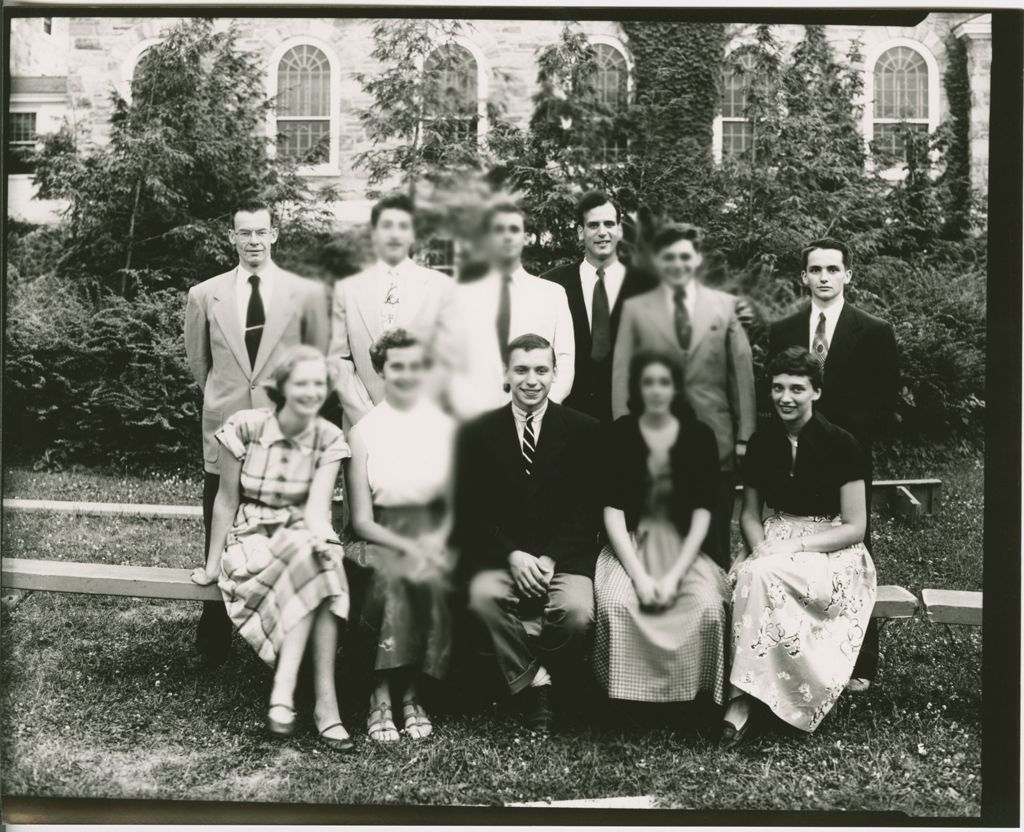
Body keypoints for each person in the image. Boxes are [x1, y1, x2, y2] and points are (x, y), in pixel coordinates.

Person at [184, 201, 330, 665]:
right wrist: (222, 399)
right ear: (232, 237)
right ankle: (213, 633)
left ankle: (286, 628)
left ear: (275, 234)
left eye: (261, 232)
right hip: (224, 427)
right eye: (244, 233)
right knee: (218, 514)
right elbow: (199, 363)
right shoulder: (204, 294)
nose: (253, 241)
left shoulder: (305, 294)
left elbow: (314, 361)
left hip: (283, 429)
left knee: (279, 525)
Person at [190, 346, 354, 752]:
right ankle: (324, 709)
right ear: (281, 386)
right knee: (316, 567)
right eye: (302, 382)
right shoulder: (244, 426)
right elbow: (226, 501)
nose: (312, 391)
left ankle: (285, 696)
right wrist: (212, 565)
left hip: (300, 534)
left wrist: (328, 542)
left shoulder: (329, 438)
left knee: (320, 561)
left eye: (319, 383)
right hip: (252, 539)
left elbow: (317, 514)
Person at [722, 346, 877, 748]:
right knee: (750, 574)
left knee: (760, 577)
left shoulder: (844, 444)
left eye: (797, 388)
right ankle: (750, 696)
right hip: (774, 539)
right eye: (777, 388)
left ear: (817, 392)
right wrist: (759, 549)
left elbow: (855, 527)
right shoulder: (761, 442)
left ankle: (747, 703)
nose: (785, 398)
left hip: (831, 548)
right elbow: (750, 515)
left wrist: (794, 549)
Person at [767, 238, 898, 693]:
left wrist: (836, 438)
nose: (824, 277)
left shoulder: (874, 331)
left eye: (832, 269)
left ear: (848, 275)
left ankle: (860, 661)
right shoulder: (783, 329)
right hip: (794, 455)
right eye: (815, 270)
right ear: (803, 277)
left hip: (847, 455)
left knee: (853, 549)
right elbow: (779, 394)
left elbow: (885, 402)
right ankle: (795, 650)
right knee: (790, 537)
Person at [453, 334, 601, 734]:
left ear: (555, 374)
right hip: (502, 556)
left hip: (562, 559)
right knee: (484, 598)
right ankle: (537, 685)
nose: (531, 380)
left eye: (541, 370)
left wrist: (550, 558)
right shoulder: (477, 432)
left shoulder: (585, 430)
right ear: (505, 373)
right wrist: (512, 555)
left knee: (575, 614)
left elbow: (587, 511)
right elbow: (470, 512)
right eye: (521, 369)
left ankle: (547, 674)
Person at [611, 223, 756, 571]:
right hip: (653, 441)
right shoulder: (637, 309)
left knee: (714, 541)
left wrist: (744, 437)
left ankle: (715, 614)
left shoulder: (725, 307)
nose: (677, 263)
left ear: (697, 259)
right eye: (669, 257)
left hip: (716, 441)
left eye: (684, 256)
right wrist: (621, 433)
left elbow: (742, 374)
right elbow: (621, 374)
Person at [594, 351, 730, 708]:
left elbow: (703, 515)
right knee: (616, 604)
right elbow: (613, 516)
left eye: (665, 382)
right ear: (638, 388)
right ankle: (625, 702)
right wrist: (640, 577)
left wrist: (672, 578)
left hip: (684, 547)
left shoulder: (700, 437)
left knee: (706, 607)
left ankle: (692, 700)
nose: (656, 391)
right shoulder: (618, 435)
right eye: (648, 382)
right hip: (631, 544)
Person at [343, 329, 457, 743]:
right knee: (392, 576)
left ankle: (413, 694)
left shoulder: (444, 427)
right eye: (397, 367)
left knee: (434, 575)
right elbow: (361, 521)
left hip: (432, 535)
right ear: (380, 370)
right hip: (378, 539)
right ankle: (380, 695)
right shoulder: (363, 433)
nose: (406, 375)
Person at [328, 194, 459, 427]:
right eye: (387, 226)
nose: (395, 234)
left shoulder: (441, 286)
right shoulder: (347, 289)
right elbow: (338, 361)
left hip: (425, 423)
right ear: (374, 233)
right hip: (362, 424)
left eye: (403, 226)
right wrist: (368, 418)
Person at [447, 203, 575, 420]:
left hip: (536, 414)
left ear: (525, 237)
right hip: (478, 418)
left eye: (514, 229)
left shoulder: (552, 294)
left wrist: (545, 407)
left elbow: (565, 358)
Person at [541, 190, 656, 423]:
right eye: (593, 225)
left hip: (629, 423)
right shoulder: (551, 285)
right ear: (580, 232)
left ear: (619, 230)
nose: (602, 232)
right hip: (566, 420)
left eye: (609, 224)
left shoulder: (646, 286)